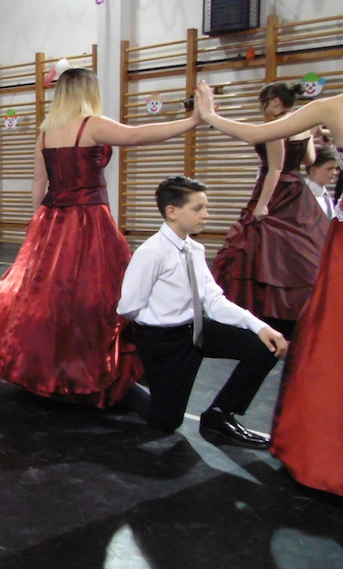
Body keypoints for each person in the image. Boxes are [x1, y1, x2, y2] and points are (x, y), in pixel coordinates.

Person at [0, 67, 201, 408]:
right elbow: (138, 135)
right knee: (97, 295)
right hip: (88, 221)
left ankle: (47, 368)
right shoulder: (91, 124)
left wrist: (38, 226)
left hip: (52, 219)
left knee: (50, 298)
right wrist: (192, 121)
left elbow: (39, 183)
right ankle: (87, 368)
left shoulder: (46, 133)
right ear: (88, 91)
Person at [196, 50, 343, 500]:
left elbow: (264, 149)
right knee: (307, 319)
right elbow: (306, 159)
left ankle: (322, 446)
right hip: (310, 217)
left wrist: (210, 115)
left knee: (325, 330)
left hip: (333, 232)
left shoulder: (336, 107)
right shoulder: (314, 123)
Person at [117, 175, 288, 445]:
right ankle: (123, 388)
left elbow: (213, 300)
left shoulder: (194, 249)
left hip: (195, 329)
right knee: (166, 422)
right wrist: (158, 325)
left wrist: (260, 326)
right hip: (164, 342)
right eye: (198, 208)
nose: (206, 215)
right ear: (172, 212)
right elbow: (128, 306)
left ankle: (220, 414)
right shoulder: (151, 252)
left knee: (263, 348)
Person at [211, 82, 329, 338]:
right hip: (297, 192)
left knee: (258, 249)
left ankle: (259, 314)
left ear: (275, 101)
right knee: (297, 253)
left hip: (276, 193)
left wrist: (262, 204)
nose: (262, 108)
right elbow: (309, 160)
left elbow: (275, 168)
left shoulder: (276, 127)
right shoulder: (300, 124)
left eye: (263, 103)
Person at [304, 146, 340, 219]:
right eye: (330, 169)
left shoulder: (325, 195)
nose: (335, 172)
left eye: (336, 168)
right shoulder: (303, 195)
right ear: (313, 170)